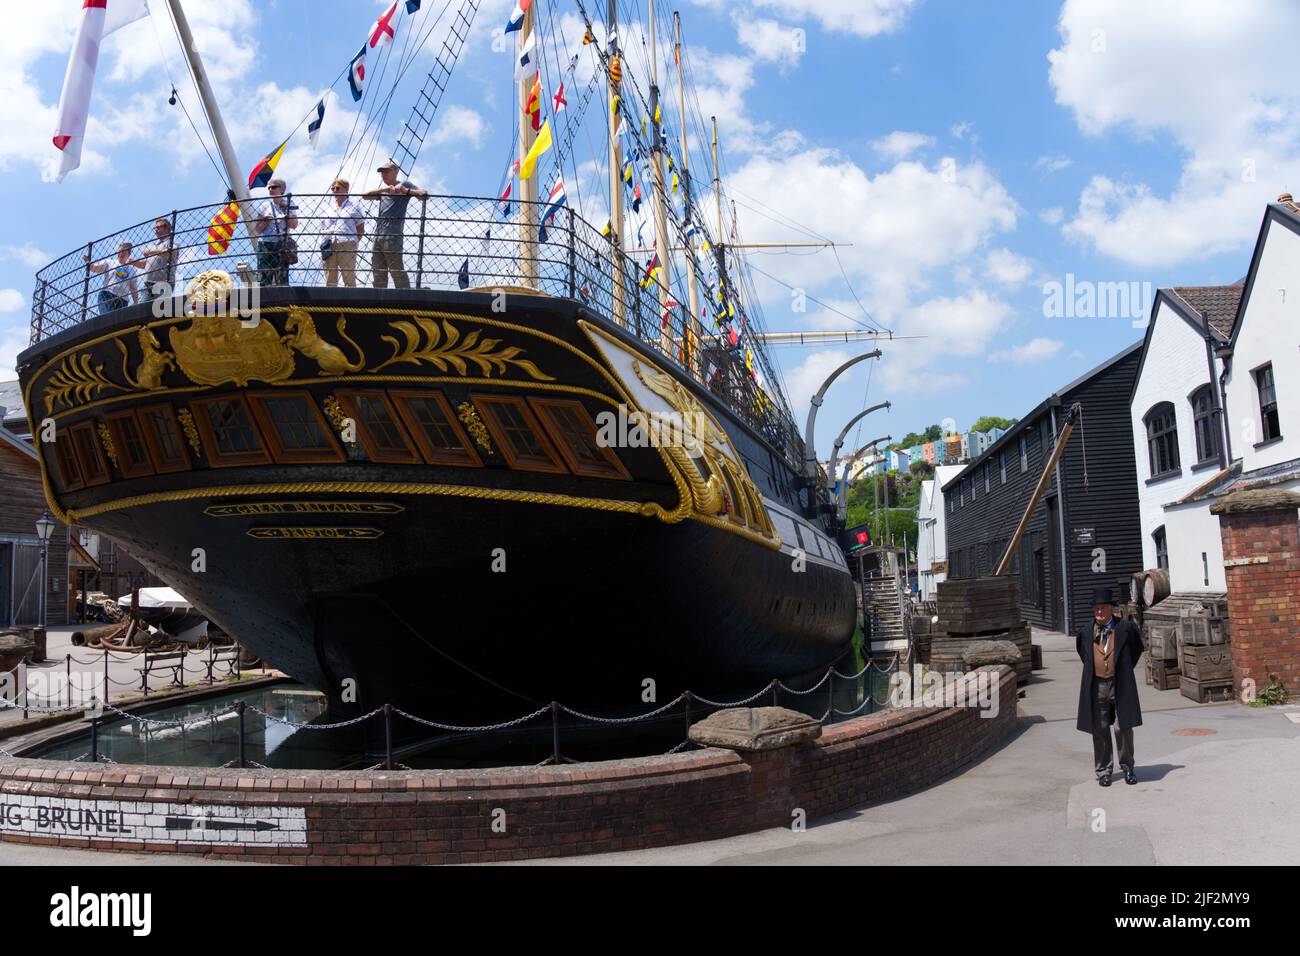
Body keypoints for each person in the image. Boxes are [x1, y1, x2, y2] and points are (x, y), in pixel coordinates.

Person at [1075, 586, 1144, 786]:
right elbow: (1083, 654)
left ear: (1111, 609)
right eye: (1096, 609)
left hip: (1119, 682)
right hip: (1096, 685)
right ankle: (1104, 771)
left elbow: (1136, 649)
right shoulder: (1086, 632)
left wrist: (1123, 668)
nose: (1099, 612)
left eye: (1103, 608)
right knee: (1100, 728)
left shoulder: (1125, 628)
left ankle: (1128, 767)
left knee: (1123, 727)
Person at [363, 158, 426, 288]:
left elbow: (424, 195)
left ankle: (405, 296)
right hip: (378, 235)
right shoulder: (383, 190)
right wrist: (383, 190)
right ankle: (379, 298)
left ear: (395, 172)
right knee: (377, 269)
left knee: (396, 267)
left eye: (386, 171)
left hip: (393, 234)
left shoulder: (405, 184)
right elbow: (364, 195)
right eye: (382, 172)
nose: (383, 174)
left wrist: (405, 191)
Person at [253, 178, 299, 286]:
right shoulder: (264, 206)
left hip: (282, 244)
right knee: (265, 276)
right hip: (266, 244)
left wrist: (285, 210)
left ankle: (283, 297)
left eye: (273, 187)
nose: (270, 189)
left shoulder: (289, 203)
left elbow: (294, 225)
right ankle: (266, 296)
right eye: (269, 187)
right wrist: (265, 221)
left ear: (282, 189)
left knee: (282, 276)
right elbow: (257, 229)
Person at [323, 178, 364, 287]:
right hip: (329, 243)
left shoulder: (354, 207)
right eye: (333, 189)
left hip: (347, 243)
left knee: (348, 275)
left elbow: (360, 228)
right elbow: (323, 226)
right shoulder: (328, 208)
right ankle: (330, 302)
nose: (334, 191)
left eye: (337, 188)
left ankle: (351, 303)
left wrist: (353, 242)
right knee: (329, 276)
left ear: (346, 190)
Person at [84, 241, 139, 314]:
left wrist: (136, 303)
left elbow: (133, 288)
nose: (121, 253)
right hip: (107, 295)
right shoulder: (109, 263)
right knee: (106, 317)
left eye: (124, 251)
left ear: (129, 254)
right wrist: (88, 263)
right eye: (119, 251)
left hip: (122, 299)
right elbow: (95, 268)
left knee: (119, 323)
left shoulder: (131, 270)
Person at [132, 218, 177, 300]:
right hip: (148, 283)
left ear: (166, 228)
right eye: (155, 228)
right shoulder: (155, 245)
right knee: (143, 311)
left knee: (159, 310)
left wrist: (151, 251)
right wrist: (133, 262)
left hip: (163, 283)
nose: (155, 230)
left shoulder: (171, 242)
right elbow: (146, 264)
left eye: (158, 227)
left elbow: (172, 253)